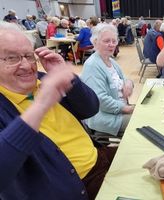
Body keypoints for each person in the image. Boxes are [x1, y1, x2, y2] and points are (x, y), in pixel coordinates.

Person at [0, 21, 117, 200]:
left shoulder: (43, 79)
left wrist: (68, 77)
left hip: (99, 158)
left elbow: (91, 108)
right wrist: (41, 106)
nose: (26, 65)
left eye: (29, 55)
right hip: (77, 186)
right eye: (11, 58)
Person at [80, 23, 134, 137]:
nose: (111, 45)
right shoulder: (92, 65)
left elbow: (124, 78)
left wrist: (128, 83)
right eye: (106, 41)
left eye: (114, 41)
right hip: (105, 117)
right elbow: (100, 100)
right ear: (95, 42)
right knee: (143, 121)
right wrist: (126, 109)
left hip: (119, 110)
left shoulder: (110, 61)